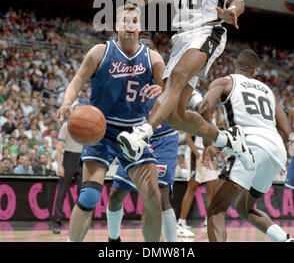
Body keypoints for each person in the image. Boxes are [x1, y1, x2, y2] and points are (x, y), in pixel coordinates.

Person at [88, 0, 253, 172]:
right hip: (182, 36)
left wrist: (232, 10)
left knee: (176, 76)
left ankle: (141, 134)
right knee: (175, 116)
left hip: (209, 30)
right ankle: (227, 140)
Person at [56, 5, 167, 242]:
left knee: (152, 198)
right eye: (125, 20)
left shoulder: (153, 58)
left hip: (135, 134)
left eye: (134, 20)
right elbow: (77, 80)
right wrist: (67, 102)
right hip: (101, 130)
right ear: (117, 25)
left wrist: (164, 89)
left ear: (140, 27)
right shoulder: (100, 51)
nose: (129, 24)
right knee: (88, 197)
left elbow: (171, 92)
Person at [199, 49, 294, 242]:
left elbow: (203, 107)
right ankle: (284, 239)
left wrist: (208, 143)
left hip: (250, 146)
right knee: (244, 207)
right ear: (254, 71)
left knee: (216, 210)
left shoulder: (226, 81)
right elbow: (285, 129)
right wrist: (277, 151)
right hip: (276, 150)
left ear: (235, 64)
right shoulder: (267, 90)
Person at [106, 36, 180, 243]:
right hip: (137, 140)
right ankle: (113, 239)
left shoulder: (166, 80)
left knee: (162, 195)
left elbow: (186, 95)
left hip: (163, 140)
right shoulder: (123, 78)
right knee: (116, 195)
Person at [177, 133, 221, 238]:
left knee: (213, 188)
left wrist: (214, 157)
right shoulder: (200, 116)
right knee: (192, 187)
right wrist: (197, 155)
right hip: (195, 154)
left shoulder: (217, 119)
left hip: (208, 155)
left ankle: (208, 221)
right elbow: (188, 137)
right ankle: (181, 222)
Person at [52, 117, 82, 234]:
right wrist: (60, 165)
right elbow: (59, 147)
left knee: (83, 193)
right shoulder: (66, 125)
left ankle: (79, 223)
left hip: (82, 159)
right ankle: (57, 222)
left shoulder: (88, 126)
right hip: (69, 158)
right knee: (62, 191)